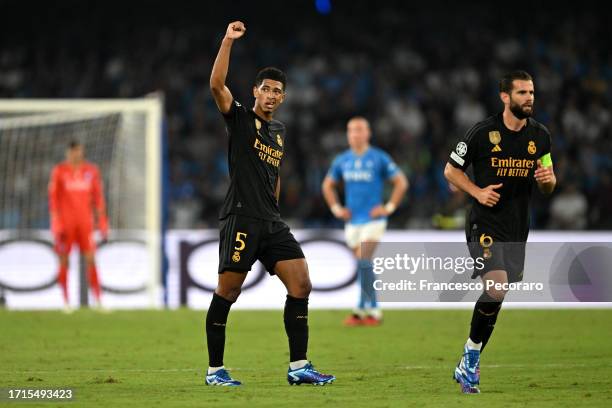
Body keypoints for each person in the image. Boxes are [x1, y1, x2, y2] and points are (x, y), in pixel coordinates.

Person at [205, 21, 335, 386]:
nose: (272, 95)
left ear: (283, 97)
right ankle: (215, 371)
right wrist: (228, 41)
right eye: (266, 89)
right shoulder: (241, 118)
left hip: (271, 222)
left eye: (278, 91)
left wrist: (274, 208)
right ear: (256, 92)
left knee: (302, 284)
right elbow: (216, 85)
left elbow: (273, 175)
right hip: (242, 219)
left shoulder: (278, 132)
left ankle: (299, 367)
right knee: (228, 291)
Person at [444, 71, 556, 393]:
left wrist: (547, 180)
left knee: (499, 294)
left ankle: (470, 356)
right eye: (522, 92)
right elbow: (450, 170)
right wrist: (477, 192)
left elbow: (549, 182)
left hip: (517, 226)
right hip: (485, 222)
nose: (529, 98)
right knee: (496, 288)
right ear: (505, 97)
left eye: (532, 92)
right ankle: (470, 360)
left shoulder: (541, 136)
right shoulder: (482, 133)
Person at [322, 117, 408, 326]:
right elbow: (327, 185)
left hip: (374, 219)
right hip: (352, 221)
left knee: (363, 259)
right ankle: (370, 309)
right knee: (363, 264)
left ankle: (364, 309)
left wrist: (388, 207)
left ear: (368, 133)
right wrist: (336, 209)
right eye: (351, 130)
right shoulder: (343, 160)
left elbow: (401, 182)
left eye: (359, 130)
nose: (355, 134)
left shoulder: (379, 158)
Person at [48, 141, 108, 312]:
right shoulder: (60, 171)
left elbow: (98, 198)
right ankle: (66, 301)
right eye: (74, 152)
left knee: (91, 258)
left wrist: (102, 222)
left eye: (79, 151)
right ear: (68, 153)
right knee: (64, 260)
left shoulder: (91, 171)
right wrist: (56, 224)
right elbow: (53, 201)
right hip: (66, 225)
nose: (77, 155)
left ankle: (98, 300)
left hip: (85, 224)